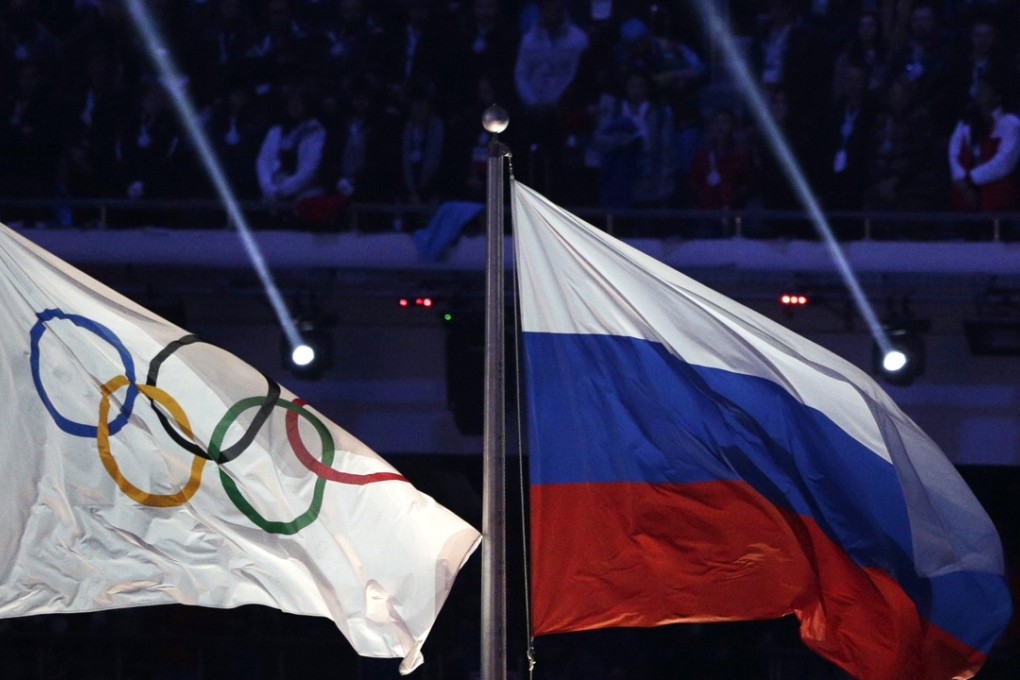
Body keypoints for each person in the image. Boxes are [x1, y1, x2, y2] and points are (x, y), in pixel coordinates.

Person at [593, 70, 674, 209]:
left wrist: (665, 176)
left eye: (641, 86)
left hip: (650, 172)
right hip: (619, 171)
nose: (637, 90)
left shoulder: (661, 112)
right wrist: (623, 141)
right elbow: (600, 139)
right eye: (632, 85)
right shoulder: (615, 109)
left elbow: (667, 147)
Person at [948, 71, 1020, 217]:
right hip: (965, 186)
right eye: (978, 87)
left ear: (997, 96)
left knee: (999, 190)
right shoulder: (965, 122)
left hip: (994, 188)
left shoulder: (1011, 124)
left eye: (984, 88)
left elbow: (1003, 163)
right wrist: (961, 180)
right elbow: (953, 154)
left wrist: (971, 180)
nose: (978, 92)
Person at [255, 89, 327, 207]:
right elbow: (263, 161)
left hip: (305, 198)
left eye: (298, 103)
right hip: (273, 196)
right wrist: (269, 188)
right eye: (291, 103)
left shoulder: (315, 131)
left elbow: (310, 169)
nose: (294, 106)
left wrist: (284, 190)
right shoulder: (276, 130)